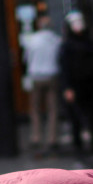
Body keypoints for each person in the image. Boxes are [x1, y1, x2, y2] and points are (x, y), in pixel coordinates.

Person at [19, 13, 62, 154]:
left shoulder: (32, 40)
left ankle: (36, 137)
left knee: (35, 108)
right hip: (52, 75)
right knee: (52, 108)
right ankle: (52, 138)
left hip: (36, 76)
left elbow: (26, 58)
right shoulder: (56, 40)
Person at [60, 10, 93, 155]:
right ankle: (78, 146)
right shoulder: (67, 46)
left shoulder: (89, 42)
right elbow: (64, 67)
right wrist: (68, 87)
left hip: (89, 83)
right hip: (75, 85)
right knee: (75, 116)